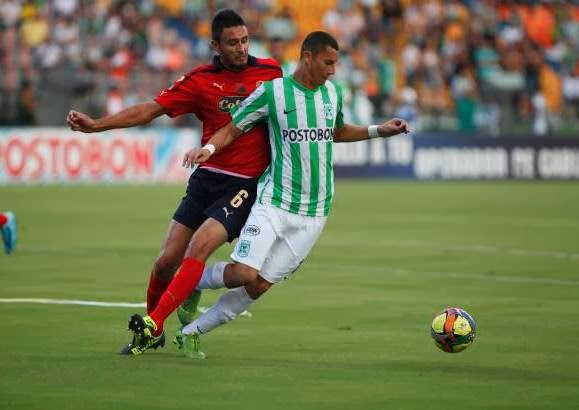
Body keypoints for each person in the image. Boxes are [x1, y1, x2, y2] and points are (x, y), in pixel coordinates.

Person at [131, 31, 409, 359]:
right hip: (274, 202)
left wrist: (379, 130)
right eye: (328, 62)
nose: (333, 70)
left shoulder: (332, 94)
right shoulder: (273, 92)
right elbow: (233, 127)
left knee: (258, 285)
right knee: (244, 273)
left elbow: (337, 131)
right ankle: (192, 285)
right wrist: (209, 149)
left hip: (315, 213)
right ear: (308, 57)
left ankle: (192, 332)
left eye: (336, 63)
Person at [66, 9, 282, 355]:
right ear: (215, 46)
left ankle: (152, 324)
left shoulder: (271, 73)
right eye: (232, 43)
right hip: (207, 177)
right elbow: (151, 109)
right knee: (166, 261)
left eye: (244, 40)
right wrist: (98, 125)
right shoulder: (199, 81)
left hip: (245, 184)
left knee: (199, 246)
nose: (241, 48)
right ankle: (154, 331)